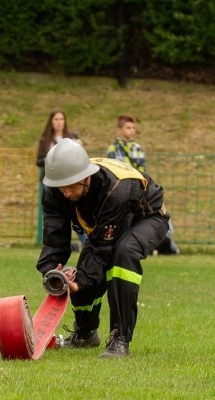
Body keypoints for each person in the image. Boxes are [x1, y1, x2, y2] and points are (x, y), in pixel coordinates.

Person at [37, 138, 170, 358]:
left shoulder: (115, 190)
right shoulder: (55, 190)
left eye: (71, 186)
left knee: (122, 255)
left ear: (85, 177)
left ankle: (120, 339)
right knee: (81, 270)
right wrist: (53, 271)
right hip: (106, 227)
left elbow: (103, 248)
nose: (66, 194)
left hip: (148, 217)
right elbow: (54, 237)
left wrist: (80, 282)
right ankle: (85, 333)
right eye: (61, 187)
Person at [106, 114, 180, 255]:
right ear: (120, 129)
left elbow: (142, 171)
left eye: (133, 128)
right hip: (120, 191)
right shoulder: (113, 149)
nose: (131, 130)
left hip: (136, 190)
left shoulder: (137, 148)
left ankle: (165, 243)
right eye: (128, 127)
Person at [35, 108, 86, 248]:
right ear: (51, 122)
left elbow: (80, 157)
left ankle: (87, 244)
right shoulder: (45, 140)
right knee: (55, 217)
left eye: (61, 119)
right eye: (56, 119)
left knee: (76, 214)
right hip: (52, 184)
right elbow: (38, 161)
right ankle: (54, 246)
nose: (59, 122)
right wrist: (52, 158)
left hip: (71, 182)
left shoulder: (73, 137)